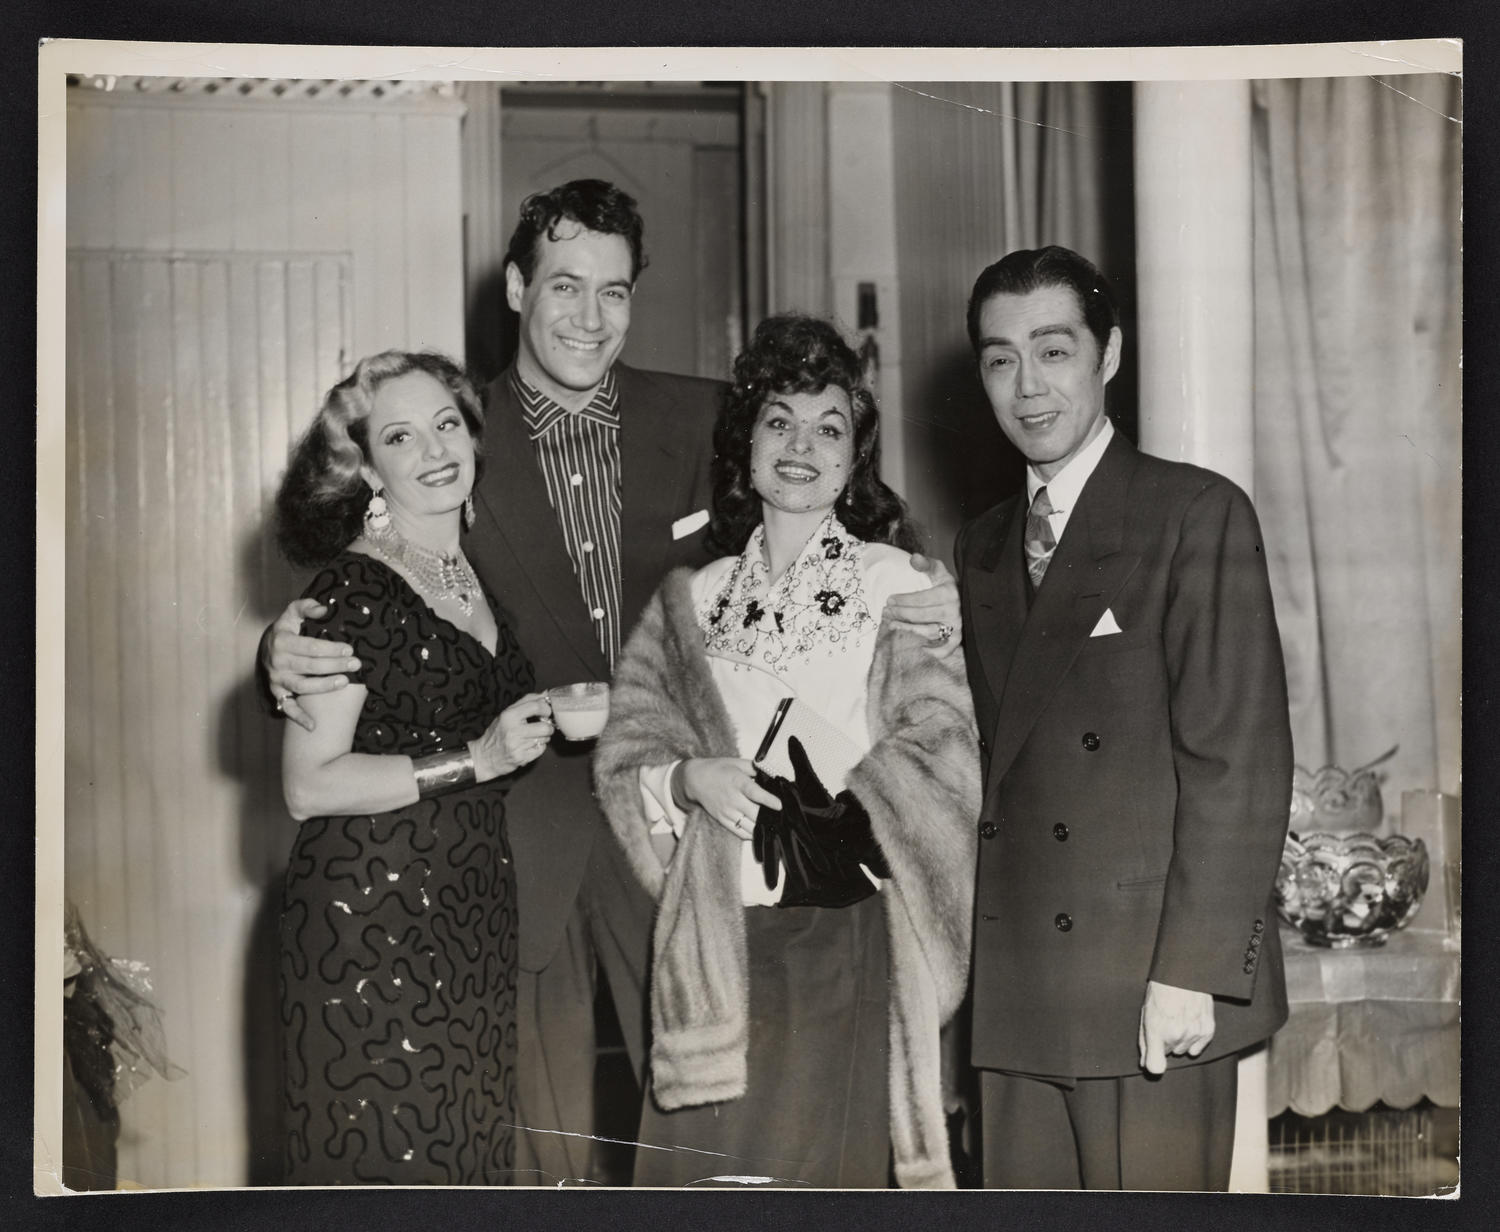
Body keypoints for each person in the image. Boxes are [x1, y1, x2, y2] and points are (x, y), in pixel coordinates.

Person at [260, 180, 961, 1183]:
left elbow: (850, 546)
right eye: (564, 286)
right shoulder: (456, 434)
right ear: (514, 287)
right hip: (511, 836)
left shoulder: (716, 420)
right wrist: (277, 651)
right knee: (541, 1146)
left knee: (701, 1130)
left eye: (615, 290)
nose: (590, 316)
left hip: (678, 836)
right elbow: (362, 584)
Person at [593, 315, 980, 1188]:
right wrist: (687, 780)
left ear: (854, 457)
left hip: (836, 934)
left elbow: (946, 753)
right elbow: (626, 755)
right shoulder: (693, 597)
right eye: (780, 421)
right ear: (747, 443)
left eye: (829, 427)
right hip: (711, 938)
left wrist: (851, 808)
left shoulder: (900, 583)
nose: (803, 446)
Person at [954, 247, 1293, 1190]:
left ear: (1109, 355)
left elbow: (1240, 760)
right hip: (1021, 988)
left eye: (1053, 351)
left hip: (1151, 985)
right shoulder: (977, 545)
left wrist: (1192, 970)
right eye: (999, 359)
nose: (1027, 387)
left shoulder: (1194, 513)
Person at [274, 350, 554, 1184]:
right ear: (366, 467)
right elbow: (306, 784)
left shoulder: (465, 571)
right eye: (401, 436)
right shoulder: (352, 591)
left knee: (464, 1164)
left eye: (447, 424)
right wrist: (477, 758)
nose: (435, 450)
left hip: (467, 914)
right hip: (371, 919)